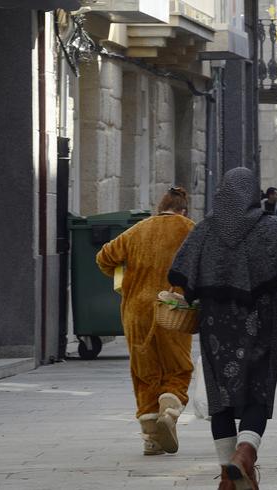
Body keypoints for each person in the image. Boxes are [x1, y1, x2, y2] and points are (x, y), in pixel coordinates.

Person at [169, 168, 277, 490]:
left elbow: (178, 273)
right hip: (259, 323)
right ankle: (244, 456)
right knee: (256, 390)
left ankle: (225, 475)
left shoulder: (204, 230)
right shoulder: (271, 228)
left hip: (216, 327)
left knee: (222, 396)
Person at [95, 187, 195, 456]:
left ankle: (151, 438)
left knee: (144, 372)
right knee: (177, 367)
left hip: (136, 311)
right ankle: (170, 407)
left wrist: (123, 275)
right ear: (184, 210)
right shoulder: (190, 229)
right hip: (173, 308)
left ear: (159, 207)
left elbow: (103, 257)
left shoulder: (137, 230)